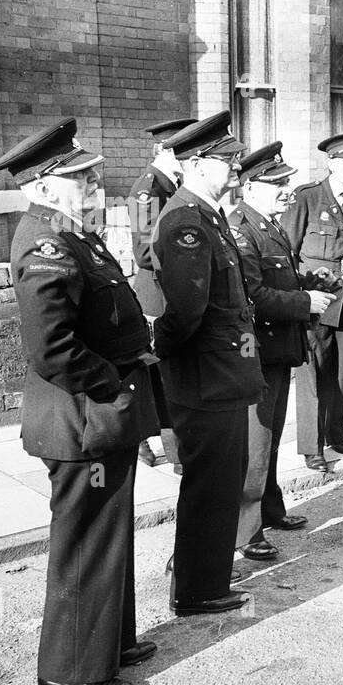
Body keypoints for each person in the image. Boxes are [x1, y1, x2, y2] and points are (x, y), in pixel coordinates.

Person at [0, 117, 159, 685]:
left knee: (109, 531)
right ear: (41, 186)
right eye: (78, 180)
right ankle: (72, 668)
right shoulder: (45, 242)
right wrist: (112, 384)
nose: (93, 189)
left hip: (99, 414)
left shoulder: (72, 235)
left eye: (91, 178)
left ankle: (110, 641)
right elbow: (50, 348)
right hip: (81, 417)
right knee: (87, 536)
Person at [153, 111, 264, 617]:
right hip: (205, 375)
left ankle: (204, 574)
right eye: (226, 160)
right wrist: (173, 357)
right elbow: (186, 310)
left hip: (222, 372)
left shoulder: (208, 214)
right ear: (197, 164)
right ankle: (198, 589)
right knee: (210, 483)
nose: (236, 167)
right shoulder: (185, 220)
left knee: (222, 479)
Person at [229, 142, 334, 560]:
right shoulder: (242, 230)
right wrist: (306, 302)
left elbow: (280, 279)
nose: (287, 192)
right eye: (277, 185)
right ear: (251, 188)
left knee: (269, 439)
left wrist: (312, 281)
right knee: (255, 444)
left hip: (279, 349)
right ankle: (247, 532)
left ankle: (271, 510)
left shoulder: (268, 225)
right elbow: (254, 296)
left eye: (286, 183)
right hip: (258, 351)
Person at [282, 133, 343, 470]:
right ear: (330, 163)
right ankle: (312, 446)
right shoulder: (307, 197)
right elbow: (287, 250)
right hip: (317, 293)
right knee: (314, 372)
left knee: (342, 369)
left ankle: (336, 432)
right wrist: (299, 297)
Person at [129, 116, 194, 471]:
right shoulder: (148, 190)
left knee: (170, 376)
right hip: (158, 297)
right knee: (164, 377)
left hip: (173, 294)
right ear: (162, 150)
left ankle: (157, 444)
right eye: (181, 150)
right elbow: (144, 251)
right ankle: (175, 455)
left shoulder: (175, 185)